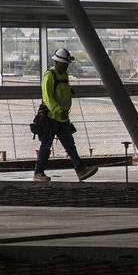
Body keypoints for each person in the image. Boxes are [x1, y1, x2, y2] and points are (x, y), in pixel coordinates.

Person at [33, 47, 97, 182]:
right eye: (65, 63)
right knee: (46, 145)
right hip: (51, 119)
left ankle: (81, 170)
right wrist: (58, 111)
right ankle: (38, 173)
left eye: (67, 64)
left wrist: (64, 112)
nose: (67, 66)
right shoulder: (49, 76)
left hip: (62, 119)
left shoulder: (64, 76)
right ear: (57, 63)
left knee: (70, 145)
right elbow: (47, 98)